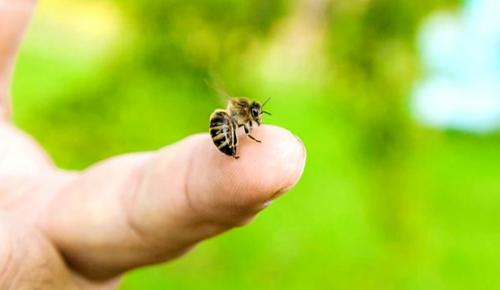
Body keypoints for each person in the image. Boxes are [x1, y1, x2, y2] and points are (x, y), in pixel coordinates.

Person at [0, 1, 306, 289]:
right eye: (255, 114)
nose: (257, 118)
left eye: (256, 116)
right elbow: (239, 123)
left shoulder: (241, 114)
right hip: (223, 130)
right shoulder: (238, 116)